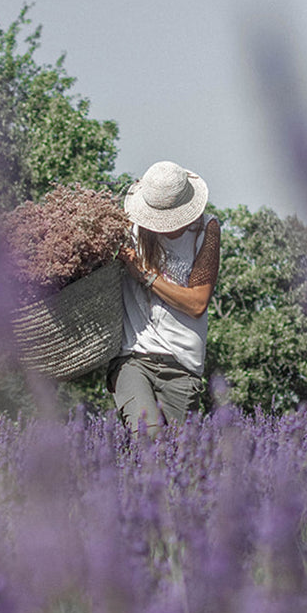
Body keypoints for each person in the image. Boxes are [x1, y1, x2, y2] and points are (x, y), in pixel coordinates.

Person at [107, 160, 221, 438]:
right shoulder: (128, 229)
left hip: (182, 362)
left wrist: (145, 274)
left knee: (179, 459)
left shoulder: (207, 231)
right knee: (146, 437)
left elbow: (196, 303)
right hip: (133, 355)